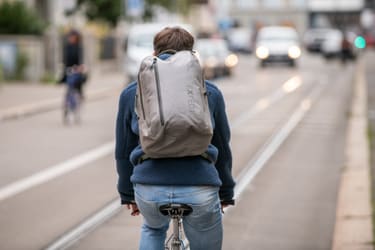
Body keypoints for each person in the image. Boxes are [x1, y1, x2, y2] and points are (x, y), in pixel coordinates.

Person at [115, 26, 235, 250]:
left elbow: (123, 151)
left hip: (149, 189)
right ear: (191, 56)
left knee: (152, 228)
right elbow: (222, 149)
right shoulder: (210, 92)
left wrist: (127, 194)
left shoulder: (131, 92)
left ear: (154, 54)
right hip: (200, 188)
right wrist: (226, 192)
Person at [59, 29, 86, 98]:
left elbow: (80, 57)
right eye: (70, 37)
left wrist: (80, 66)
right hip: (68, 67)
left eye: (73, 37)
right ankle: (67, 99)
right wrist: (64, 65)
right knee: (67, 80)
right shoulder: (67, 46)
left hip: (77, 67)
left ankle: (80, 93)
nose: (71, 38)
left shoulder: (78, 47)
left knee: (78, 80)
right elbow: (65, 57)